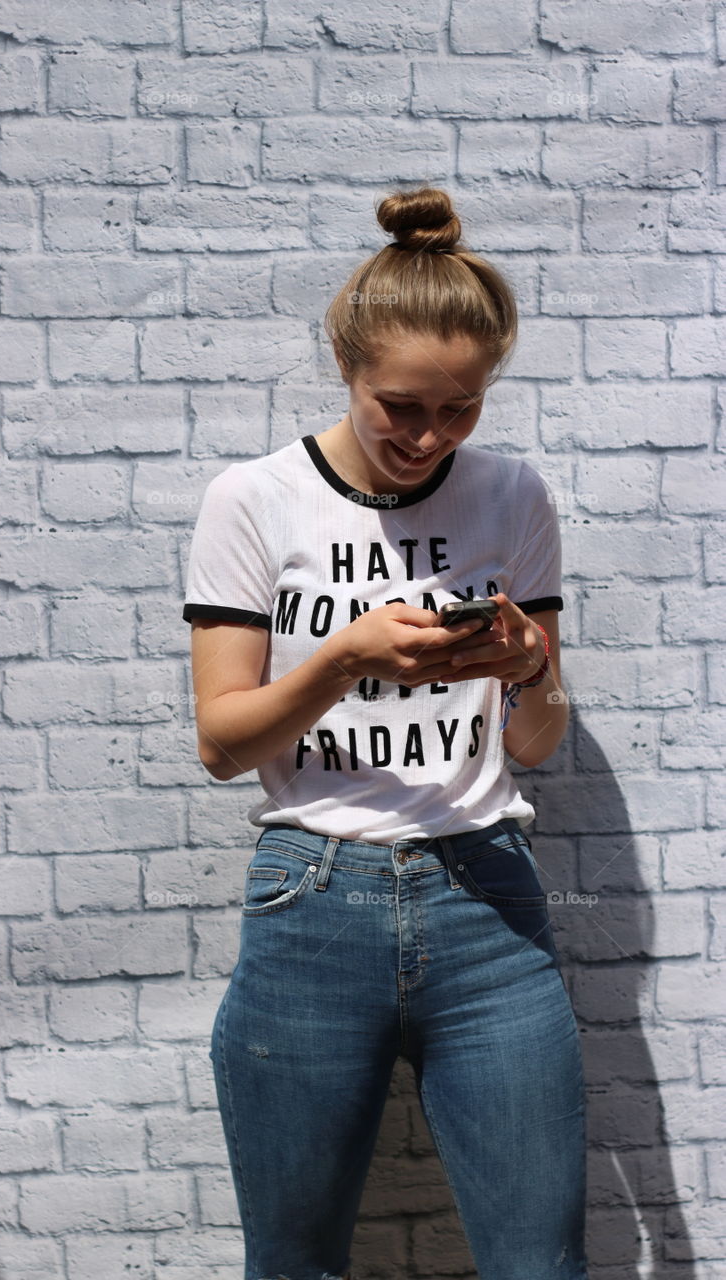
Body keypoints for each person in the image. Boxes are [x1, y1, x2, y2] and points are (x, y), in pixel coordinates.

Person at [181, 184, 589, 1280]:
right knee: (296, 1259)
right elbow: (223, 740)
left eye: (458, 409)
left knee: (537, 1262)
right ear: (345, 368)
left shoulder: (512, 496)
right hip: (311, 902)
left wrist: (526, 667)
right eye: (398, 404)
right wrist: (342, 657)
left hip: (485, 899)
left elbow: (538, 740)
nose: (427, 436)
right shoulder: (254, 500)